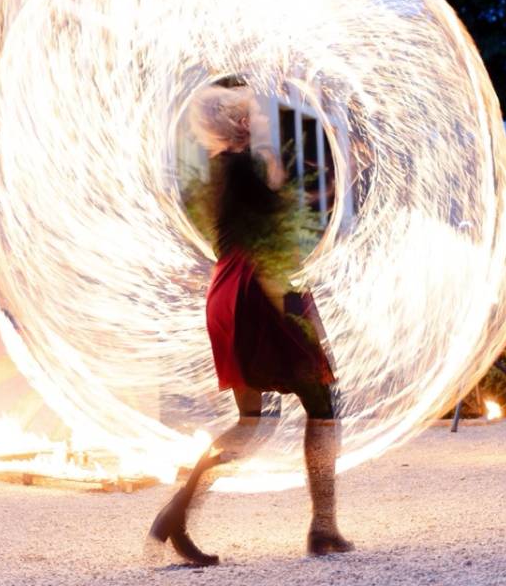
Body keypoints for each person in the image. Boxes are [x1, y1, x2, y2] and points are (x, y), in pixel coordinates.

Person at [148, 84, 353, 565]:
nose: (258, 120)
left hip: (230, 292)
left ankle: (176, 514)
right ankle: (323, 528)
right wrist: (299, 314)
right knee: (322, 402)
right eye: (251, 116)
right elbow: (274, 240)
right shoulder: (247, 168)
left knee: (253, 422)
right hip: (260, 291)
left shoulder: (221, 171)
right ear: (239, 124)